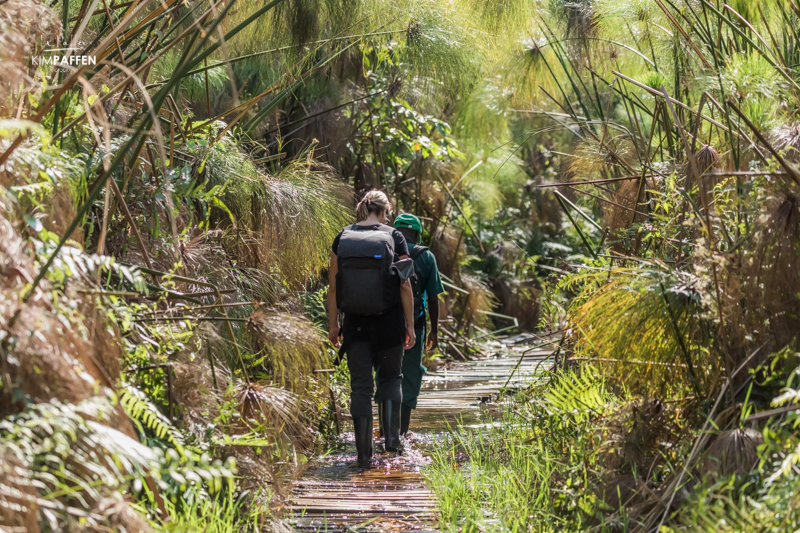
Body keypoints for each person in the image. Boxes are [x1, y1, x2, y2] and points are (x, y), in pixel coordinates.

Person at [327, 190, 416, 467]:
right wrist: (410, 324)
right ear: (385, 211)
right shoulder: (394, 236)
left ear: (363, 209)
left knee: (361, 388)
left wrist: (334, 324)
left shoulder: (342, 238)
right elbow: (404, 284)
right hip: (389, 322)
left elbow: (334, 286)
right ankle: (392, 443)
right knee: (391, 379)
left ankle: (363, 455)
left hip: (355, 325)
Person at [391, 213, 444, 435]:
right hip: (416, 324)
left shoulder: (386, 250)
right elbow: (433, 296)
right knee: (410, 375)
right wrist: (434, 330)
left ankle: (386, 430)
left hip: (384, 323)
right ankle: (401, 433)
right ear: (417, 233)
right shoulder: (426, 256)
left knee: (386, 374)